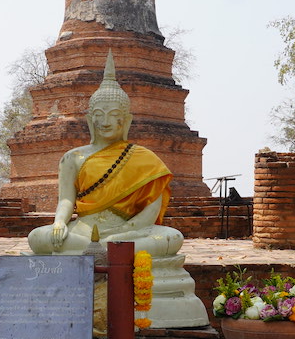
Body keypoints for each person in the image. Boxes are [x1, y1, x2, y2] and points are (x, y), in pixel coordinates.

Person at [28, 52, 185, 258]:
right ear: (90, 119)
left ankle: (108, 250)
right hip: (83, 231)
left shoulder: (144, 159)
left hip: (128, 232)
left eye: (114, 115)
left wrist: (125, 232)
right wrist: (59, 223)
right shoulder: (73, 158)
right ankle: (112, 252)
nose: (106, 121)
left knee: (172, 238)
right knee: (38, 237)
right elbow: (66, 200)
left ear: (126, 120)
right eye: (99, 115)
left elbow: (151, 209)